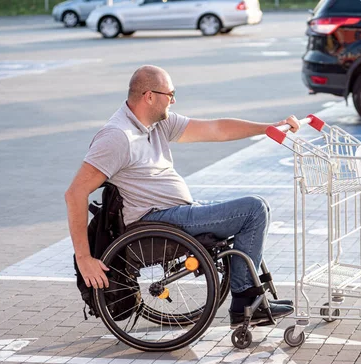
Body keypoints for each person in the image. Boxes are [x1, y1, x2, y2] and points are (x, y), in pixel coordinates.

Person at [65, 65, 301, 328]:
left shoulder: (158, 124)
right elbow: (75, 194)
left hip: (177, 212)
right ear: (149, 96)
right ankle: (245, 300)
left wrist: (268, 128)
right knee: (253, 209)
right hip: (158, 221)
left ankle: (247, 294)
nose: (174, 100)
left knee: (257, 209)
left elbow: (216, 129)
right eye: (171, 93)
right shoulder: (117, 137)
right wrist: (84, 259)